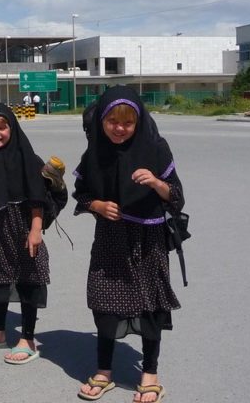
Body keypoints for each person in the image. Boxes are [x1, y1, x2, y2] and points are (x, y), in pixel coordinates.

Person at [72, 86, 183, 403]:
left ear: (138, 123)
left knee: (149, 304)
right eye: (112, 121)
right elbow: (81, 194)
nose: (119, 129)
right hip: (110, 239)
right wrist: (98, 206)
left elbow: (176, 198)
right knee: (104, 303)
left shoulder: (156, 149)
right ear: (102, 121)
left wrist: (157, 182)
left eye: (127, 123)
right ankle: (104, 371)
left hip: (148, 239)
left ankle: (150, 373)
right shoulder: (95, 151)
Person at [0, 102, 59, 365]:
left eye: (2, 127)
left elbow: (37, 197)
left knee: (29, 278)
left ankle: (27, 338)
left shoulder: (26, 156)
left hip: (25, 227)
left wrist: (36, 230)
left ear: (12, 128)